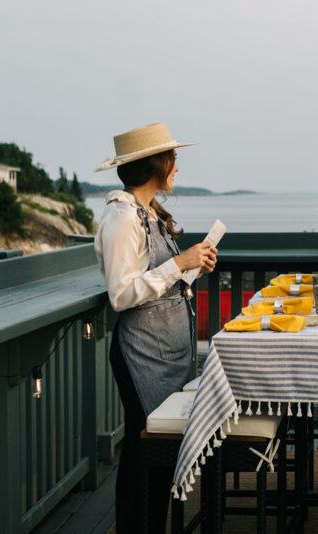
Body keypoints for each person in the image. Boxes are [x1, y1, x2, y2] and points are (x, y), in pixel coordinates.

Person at [93, 122, 217, 532]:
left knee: (157, 457)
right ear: (156, 164)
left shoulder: (148, 213)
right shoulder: (121, 218)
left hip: (166, 350)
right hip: (141, 353)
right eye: (174, 158)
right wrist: (178, 263)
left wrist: (192, 268)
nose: (177, 166)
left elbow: (161, 284)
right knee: (142, 455)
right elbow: (122, 294)